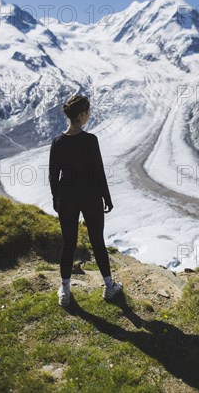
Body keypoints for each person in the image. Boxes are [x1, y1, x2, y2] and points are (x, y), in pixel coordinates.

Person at [48, 93, 123, 306]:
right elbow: (98, 172)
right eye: (88, 112)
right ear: (82, 114)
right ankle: (109, 287)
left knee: (69, 243)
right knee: (97, 242)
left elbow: (53, 175)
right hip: (91, 197)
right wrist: (107, 197)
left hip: (67, 198)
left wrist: (56, 199)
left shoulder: (58, 142)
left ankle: (64, 291)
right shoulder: (91, 141)